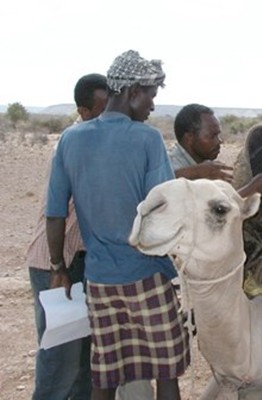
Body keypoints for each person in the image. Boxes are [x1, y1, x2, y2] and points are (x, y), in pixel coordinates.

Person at [46, 50, 190, 400]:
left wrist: (58, 267)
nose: (153, 107)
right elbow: (164, 208)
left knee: (106, 377)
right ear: (133, 92)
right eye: (152, 97)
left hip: (99, 281)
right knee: (166, 372)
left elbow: (55, 212)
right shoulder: (147, 139)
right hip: (148, 275)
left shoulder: (71, 139)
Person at [27, 73, 108, 400]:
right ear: (83, 111)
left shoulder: (97, 142)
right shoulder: (74, 143)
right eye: (101, 111)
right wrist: (59, 266)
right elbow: (55, 212)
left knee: (84, 360)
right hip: (57, 261)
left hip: (80, 261)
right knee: (60, 360)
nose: (109, 119)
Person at [168, 103, 233, 181]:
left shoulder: (205, 168)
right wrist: (195, 172)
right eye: (212, 136)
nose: (219, 141)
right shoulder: (168, 165)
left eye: (218, 135)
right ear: (189, 138)